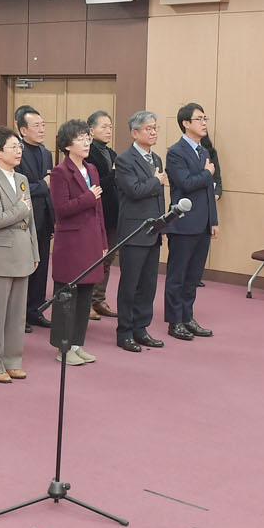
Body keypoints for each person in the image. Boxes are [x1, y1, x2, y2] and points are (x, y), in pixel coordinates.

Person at [0, 127, 37, 383]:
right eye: (13, 147)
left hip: (22, 253)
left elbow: (31, 221)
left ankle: (13, 361)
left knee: (16, 315)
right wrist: (21, 208)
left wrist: (34, 251)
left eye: (19, 146)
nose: (18, 151)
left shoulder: (22, 178)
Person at [48, 119, 106, 365]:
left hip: (91, 240)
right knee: (67, 297)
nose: (86, 143)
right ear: (67, 145)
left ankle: (77, 344)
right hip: (71, 243)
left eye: (87, 138)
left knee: (85, 295)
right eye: (80, 139)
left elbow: (99, 209)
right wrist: (88, 197)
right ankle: (62, 348)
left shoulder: (92, 169)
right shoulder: (60, 172)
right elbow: (61, 209)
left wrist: (103, 240)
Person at [112, 111, 168, 352]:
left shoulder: (156, 158)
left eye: (155, 128)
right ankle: (125, 331)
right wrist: (156, 181)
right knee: (130, 284)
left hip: (153, 230)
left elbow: (158, 195)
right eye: (148, 128)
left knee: (148, 284)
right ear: (135, 133)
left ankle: (141, 328)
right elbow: (133, 190)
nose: (153, 132)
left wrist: (163, 224)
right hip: (134, 231)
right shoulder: (124, 159)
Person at [164, 102, 218, 341]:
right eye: (199, 119)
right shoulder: (176, 152)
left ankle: (188, 317)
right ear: (186, 123)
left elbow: (208, 190)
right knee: (177, 276)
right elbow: (185, 183)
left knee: (193, 276)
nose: (204, 123)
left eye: (205, 118)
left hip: (203, 223)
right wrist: (207, 173)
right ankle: (174, 321)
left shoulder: (204, 152)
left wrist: (213, 220)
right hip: (183, 224)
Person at [15, 106, 54, 330]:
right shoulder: (17, 152)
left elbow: (50, 188)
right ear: (23, 130)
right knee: (24, 269)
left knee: (42, 267)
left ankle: (35, 310)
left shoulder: (46, 153)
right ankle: (19, 314)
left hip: (44, 218)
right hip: (23, 219)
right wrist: (43, 185)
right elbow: (18, 188)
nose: (41, 130)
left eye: (43, 125)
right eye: (36, 126)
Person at [85, 111, 120, 321]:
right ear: (91, 130)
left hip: (113, 213)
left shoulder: (113, 153)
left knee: (107, 260)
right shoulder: (87, 154)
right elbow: (97, 186)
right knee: (93, 260)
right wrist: (114, 173)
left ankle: (99, 298)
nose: (108, 131)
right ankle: (87, 301)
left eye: (110, 127)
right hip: (96, 213)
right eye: (103, 127)